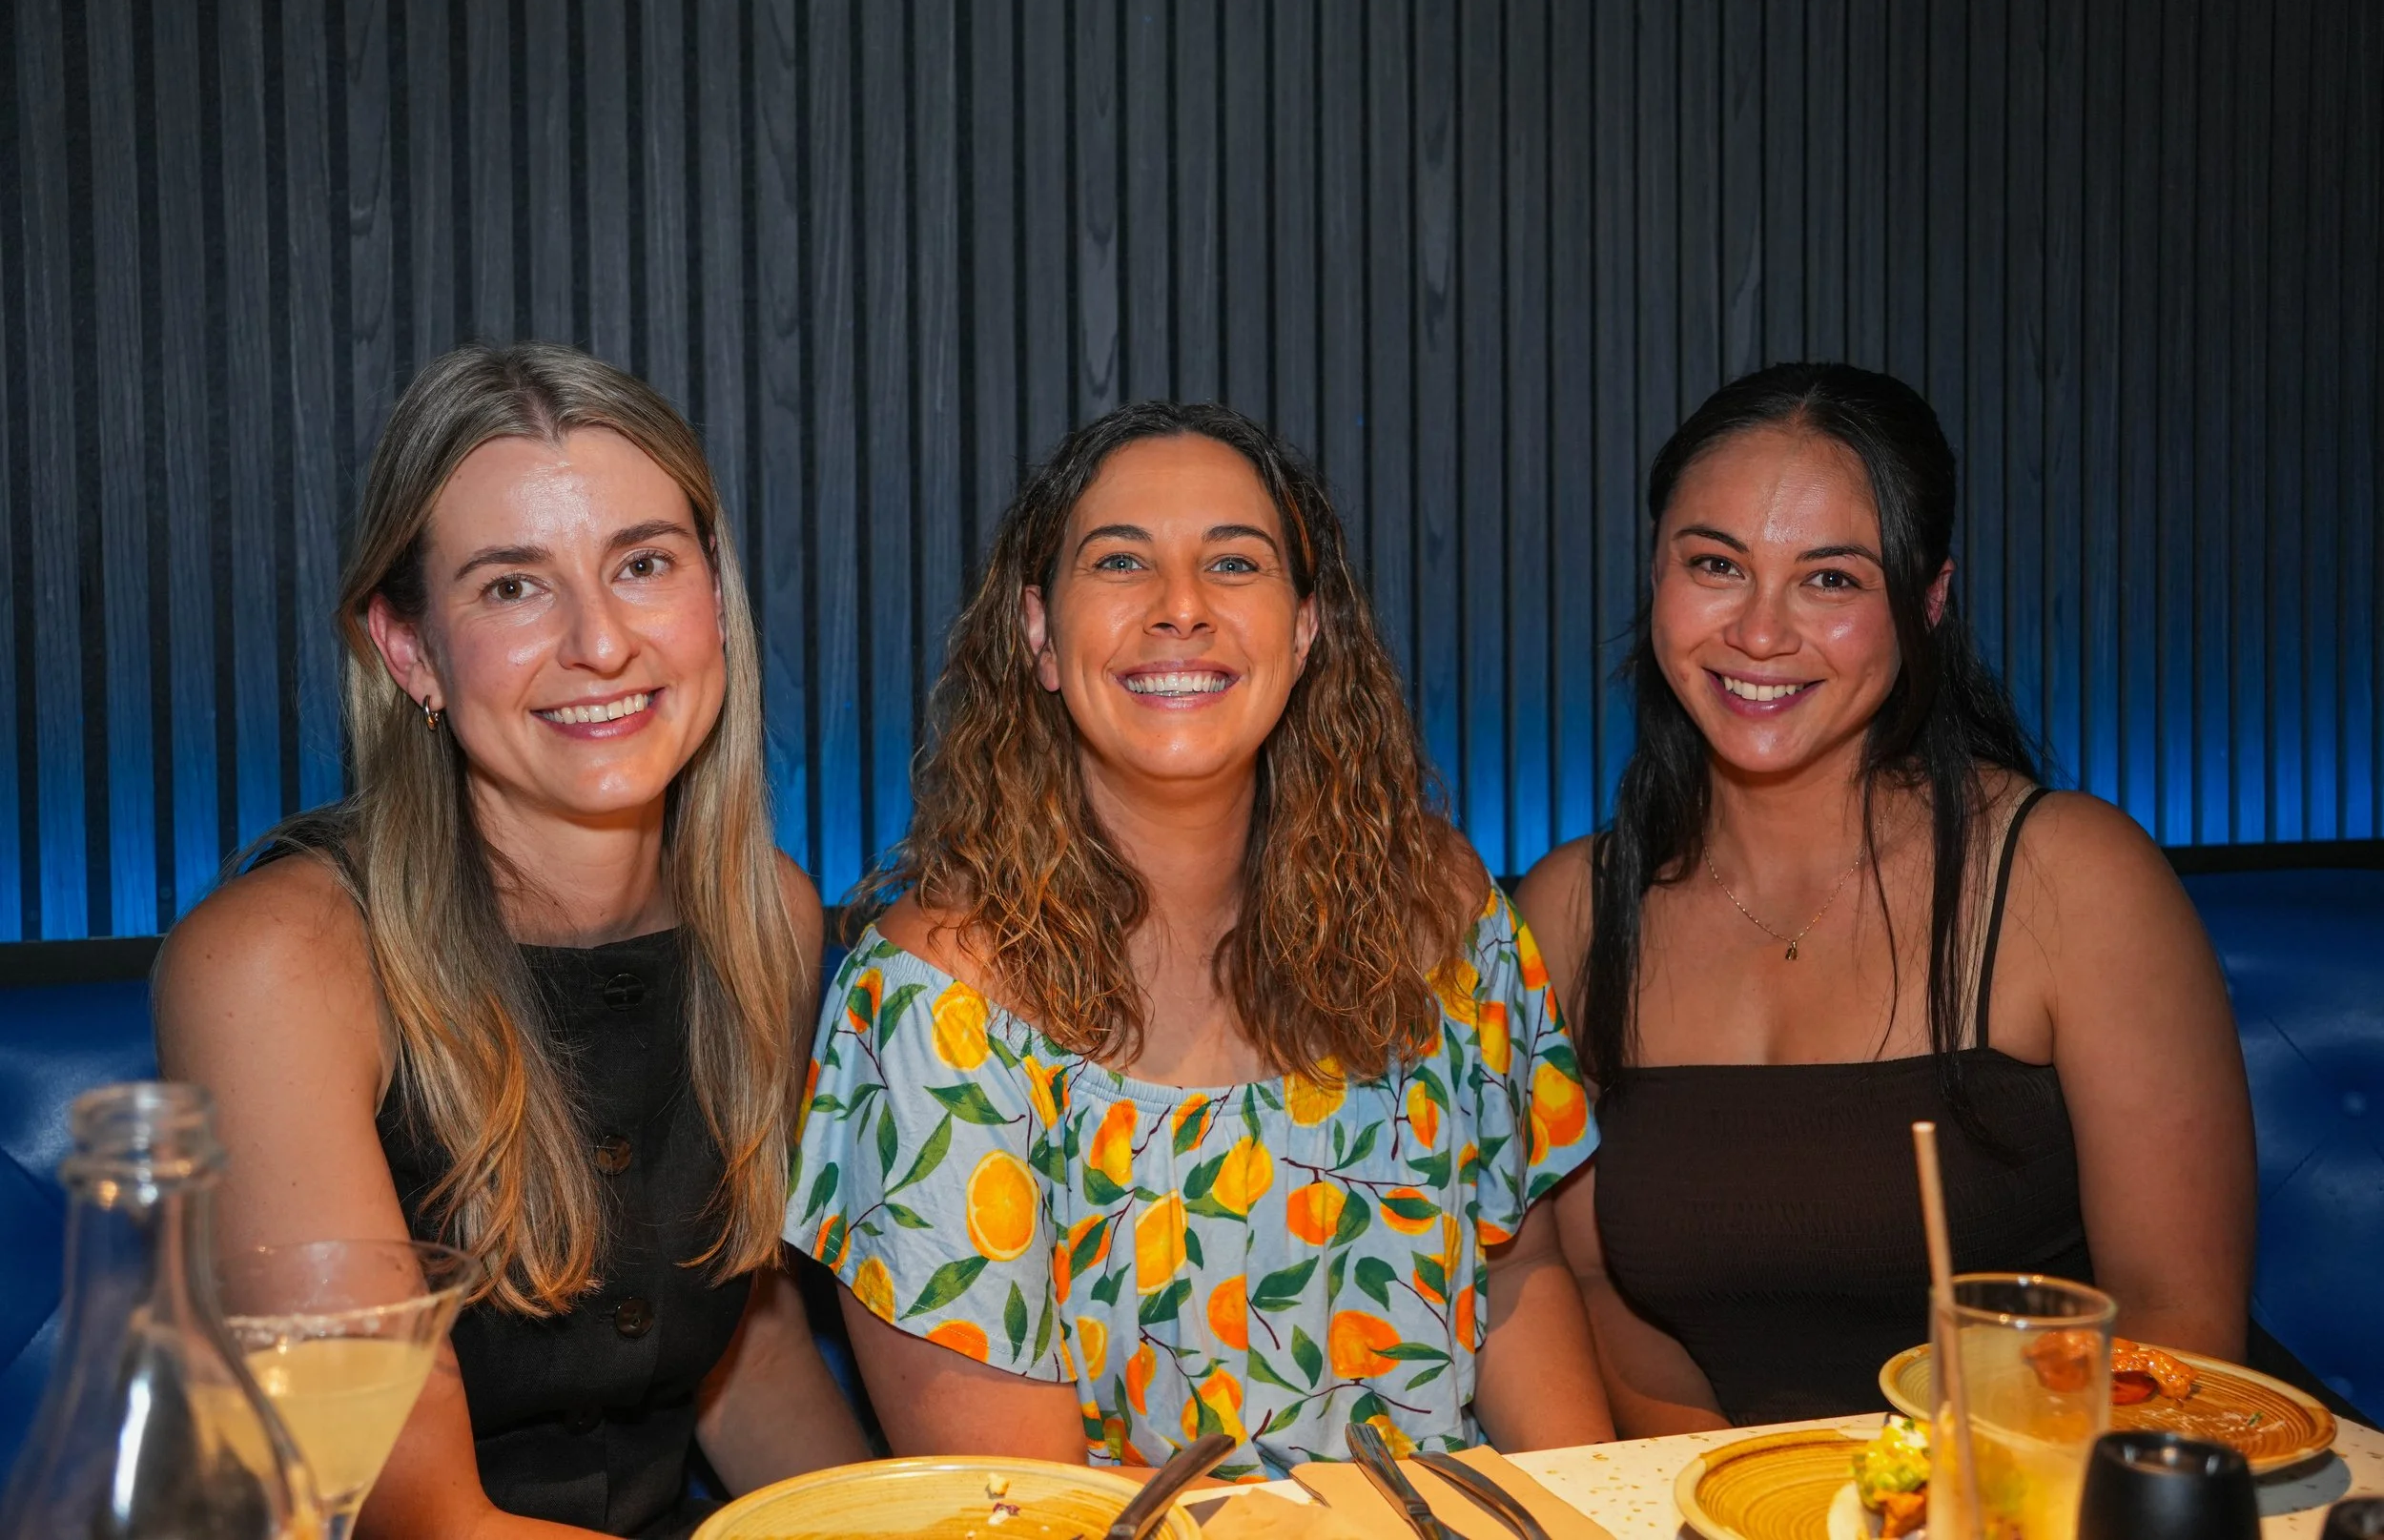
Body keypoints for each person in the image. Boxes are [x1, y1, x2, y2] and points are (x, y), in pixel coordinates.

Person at [786, 402, 1612, 1479]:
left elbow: (1517, 1277)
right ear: (1039, 634)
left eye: (1235, 562)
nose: (1181, 608)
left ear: (1305, 629)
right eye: (1121, 562)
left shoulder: (1441, 911)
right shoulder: (930, 1005)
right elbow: (1019, 1502)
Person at [154, 341, 868, 1538]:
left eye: (643, 562)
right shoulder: (276, 963)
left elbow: (745, 1348)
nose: (600, 642)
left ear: (712, 598)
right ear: (409, 648)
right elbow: (417, 1512)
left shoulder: (772, 918)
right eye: (511, 585)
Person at [1514, 361, 2257, 1433]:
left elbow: (2176, 1322)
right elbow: (1592, 1293)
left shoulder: (2071, 878)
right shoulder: (1572, 913)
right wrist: (1742, 1501)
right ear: (1656, 574)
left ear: (1928, 600)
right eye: (1716, 563)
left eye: (1831, 579)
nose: (1760, 633)